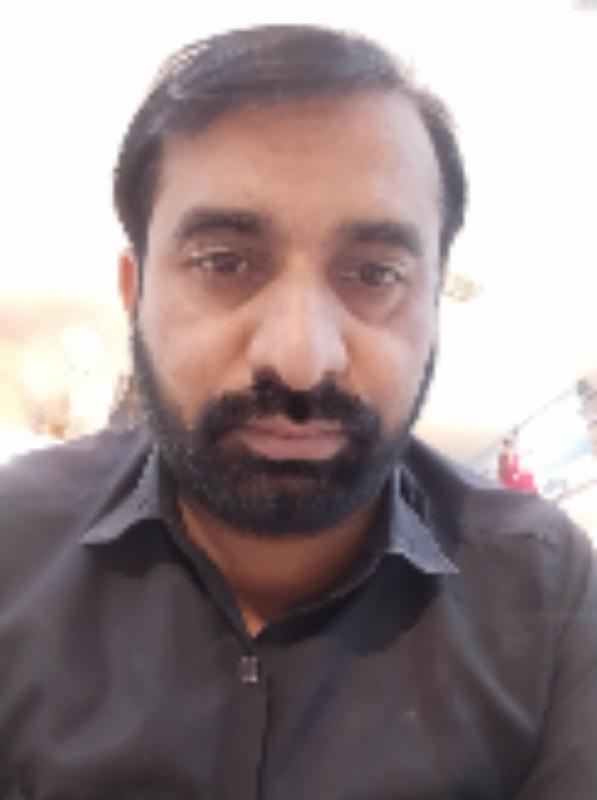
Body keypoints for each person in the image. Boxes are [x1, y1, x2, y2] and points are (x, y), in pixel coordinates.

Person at [1, 25, 596, 799]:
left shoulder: (546, 590)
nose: (300, 358)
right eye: (223, 262)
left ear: (432, 303)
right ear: (133, 291)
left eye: (374, 274)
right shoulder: (13, 542)